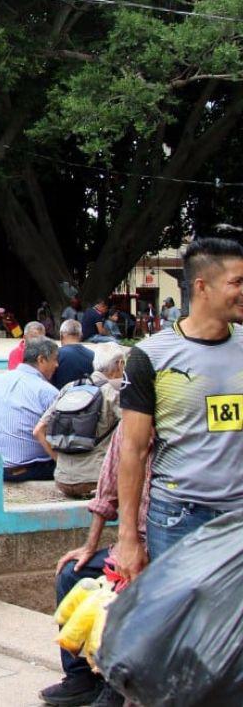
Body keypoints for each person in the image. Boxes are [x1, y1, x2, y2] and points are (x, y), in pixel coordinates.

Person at [116, 237, 243, 586]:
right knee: (178, 628)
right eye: (237, 282)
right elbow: (133, 450)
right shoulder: (150, 357)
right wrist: (128, 537)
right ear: (202, 287)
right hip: (178, 517)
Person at [38, 423, 153, 707]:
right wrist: (89, 547)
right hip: (130, 545)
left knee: (127, 594)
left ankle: (117, 685)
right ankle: (81, 677)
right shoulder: (129, 428)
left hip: (163, 546)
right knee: (73, 574)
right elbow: (106, 496)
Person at [33, 345, 126, 499]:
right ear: (120, 364)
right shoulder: (113, 393)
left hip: (62, 481)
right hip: (96, 481)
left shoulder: (69, 388)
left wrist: (61, 462)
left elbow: (38, 430)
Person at [0, 337, 60, 482]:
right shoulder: (47, 392)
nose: (56, 365)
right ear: (41, 359)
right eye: (54, 359)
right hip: (31, 468)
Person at [53, 319, 95, 389]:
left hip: (62, 397)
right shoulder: (93, 355)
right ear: (81, 335)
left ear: (61, 335)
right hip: (86, 397)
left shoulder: (55, 354)